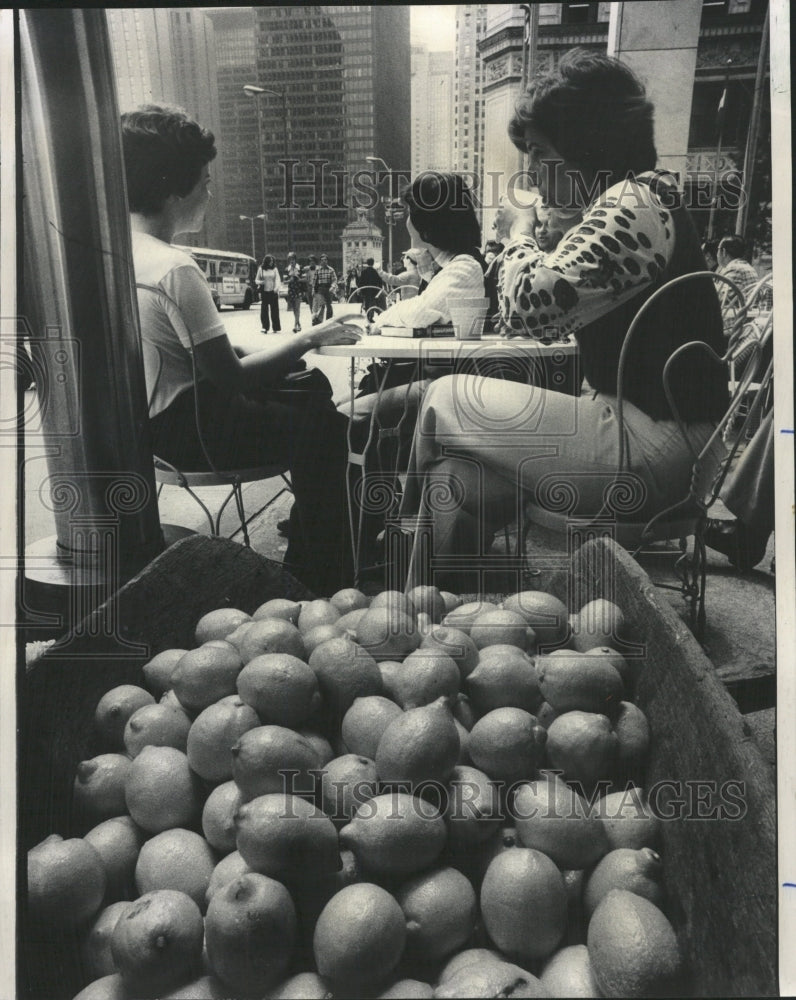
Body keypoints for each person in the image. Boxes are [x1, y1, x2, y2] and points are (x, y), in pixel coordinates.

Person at [398, 50, 729, 592]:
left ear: (588, 148)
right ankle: (449, 613)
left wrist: (520, 233)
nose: (530, 172)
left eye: (541, 153)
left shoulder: (634, 202)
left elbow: (528, 309)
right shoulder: (638, 199)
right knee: (455, 480)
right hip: (647, 437)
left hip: (654, 451)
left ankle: (405, 581)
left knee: (442, 397)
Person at [121, 103, 360, 595]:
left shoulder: (120, 254)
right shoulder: (175, 268)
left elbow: (194, 351)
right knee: (329, 429)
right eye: (204, 181)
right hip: (198, 433)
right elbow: (231, 377)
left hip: (152, 430)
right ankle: (315, 573)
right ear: (174, 186)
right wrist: (312, 336)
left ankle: (314, 535)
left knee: (309, 388)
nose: (210, 192)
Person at [716, 235, 759, 308]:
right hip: (748, 314)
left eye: (717, 249)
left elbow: (722, 299)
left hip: (735, 316)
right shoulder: (747, 266)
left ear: (723, 252)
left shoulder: (734, 269)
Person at [255, 253, 281, 334]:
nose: (271, 263)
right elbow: (256, 280)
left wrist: (276, 288)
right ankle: (265, 327)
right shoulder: (261, 269)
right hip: (264, 292)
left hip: (273, 292)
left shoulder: (275, 269)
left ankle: (275, 327)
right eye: (270, 261)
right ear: (266, 261)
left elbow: (278, 280)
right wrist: (261, 282)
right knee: (264, 311)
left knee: (275, 310)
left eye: (272, 261)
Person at [312, 253, 337, 324]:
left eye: (325, 260)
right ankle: (319, 321)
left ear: (327, 261)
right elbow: (314, 281)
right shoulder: (318, 270)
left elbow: (334, 280)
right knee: (321, 305)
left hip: (329, 289)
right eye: (322, 260)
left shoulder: (331, 270)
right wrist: (313, 290)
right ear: (320, 261)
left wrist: (332, 287)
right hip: (320, 289)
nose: (324, 261)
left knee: (329, 306)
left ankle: (329, 322)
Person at [284, 251, 303, 333]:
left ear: (295, 259)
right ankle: (298, 323)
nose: (291, 261)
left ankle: (295, 325)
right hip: (291, 290)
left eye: (293, 259)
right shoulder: (286, 269)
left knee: (297, 307)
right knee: (294, 308)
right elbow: (284, 281)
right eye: (290, 259)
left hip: (298, 289)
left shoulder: (300, 268)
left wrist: (298, 278)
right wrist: (289, 280)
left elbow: (304, 279)